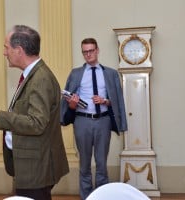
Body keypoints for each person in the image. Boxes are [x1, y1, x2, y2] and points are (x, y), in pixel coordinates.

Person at [0, 25, 69, 200]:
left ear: (19, 50)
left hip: (36, 168)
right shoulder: (33, 75)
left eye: (6, 47)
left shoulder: (40, 79)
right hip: (30, 166)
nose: (4, 53)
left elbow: (36, 123)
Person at [60, 38, 127, 199]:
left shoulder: (110, 73)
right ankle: (86, 197)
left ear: (97, 50)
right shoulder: (76, 73)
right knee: (84, 165)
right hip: (82, 121)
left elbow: (117, 100)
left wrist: (105, 101)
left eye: (91, 51)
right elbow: (67, 102)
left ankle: (102, 197)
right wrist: (72, 103)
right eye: (85, 52)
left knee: (102, 164)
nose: (88, 54)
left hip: (103, 121)